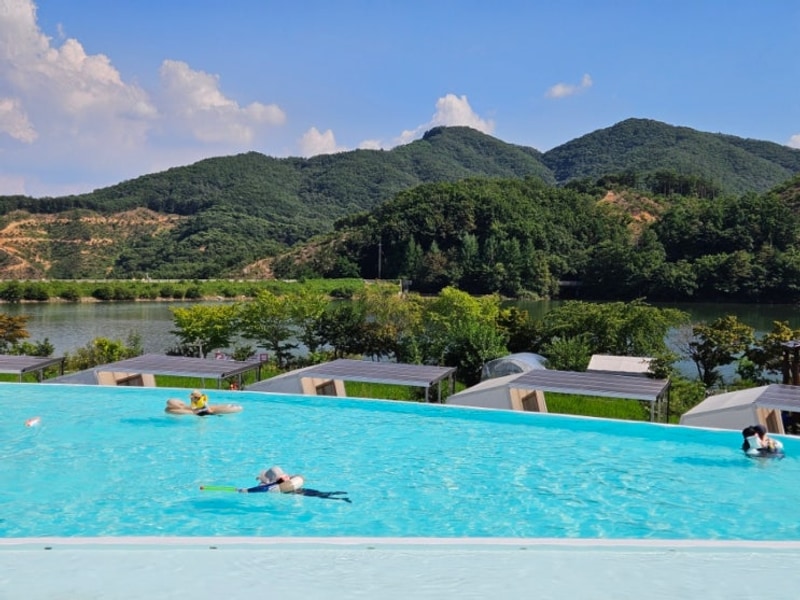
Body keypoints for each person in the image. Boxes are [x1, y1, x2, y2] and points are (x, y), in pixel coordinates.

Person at [239, 465, 351, 503]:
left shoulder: (277, 482)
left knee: (319, 495)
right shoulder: (282, 479)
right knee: (319, 494)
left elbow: (262, 489)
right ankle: (339, 495)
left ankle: (340, 498)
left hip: (297, 492)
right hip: (299, 491)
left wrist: (247, 490)